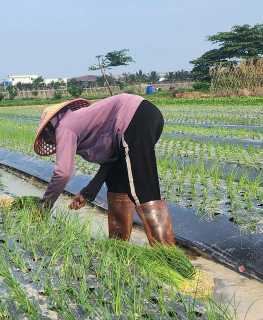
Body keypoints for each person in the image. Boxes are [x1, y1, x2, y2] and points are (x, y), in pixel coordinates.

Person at [33, 94, 174, 246]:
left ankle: (166, 254)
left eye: (50, 141)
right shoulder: (78, 122)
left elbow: (62, 173)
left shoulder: (64, 127)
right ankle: (118, 246)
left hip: (135, 118)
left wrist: (43, 207)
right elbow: (110, 162)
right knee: (116, 182)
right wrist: (87, 193)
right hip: (147, 114)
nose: (55, 143)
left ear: (49, 132)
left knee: (142, 187)